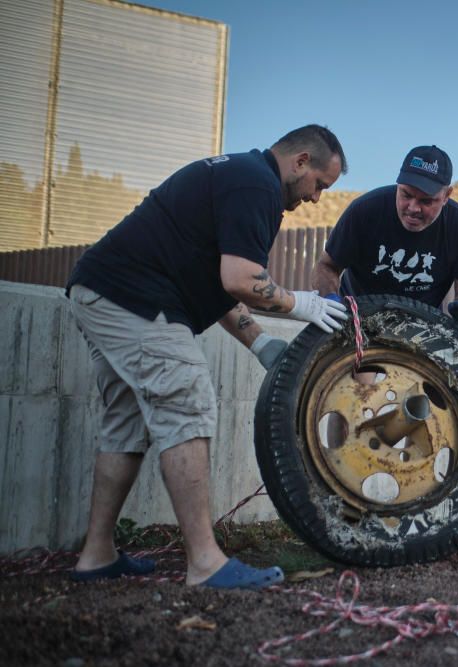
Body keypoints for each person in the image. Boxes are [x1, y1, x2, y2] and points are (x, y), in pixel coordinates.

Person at [65, 125, 350, 589]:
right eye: (320, 184)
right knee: (188, 399)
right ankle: (205, 563)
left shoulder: (241, 175)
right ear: (300, 162)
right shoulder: (256, 184)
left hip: (104, 291)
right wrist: (305, 303)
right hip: (134, 297)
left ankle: (96, 555)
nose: (317, 198)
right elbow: (240, 279)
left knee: (127, 420)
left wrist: (260, 342)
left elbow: (216, 284)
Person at [311, 145, 458, 331]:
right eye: (406, 194)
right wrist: (330, 300)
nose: (413, 208)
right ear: (398, 184)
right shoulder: (365, 211)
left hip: (421, 328)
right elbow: (326, 266)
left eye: (426, 201)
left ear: (446, 196)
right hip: (357, 320)